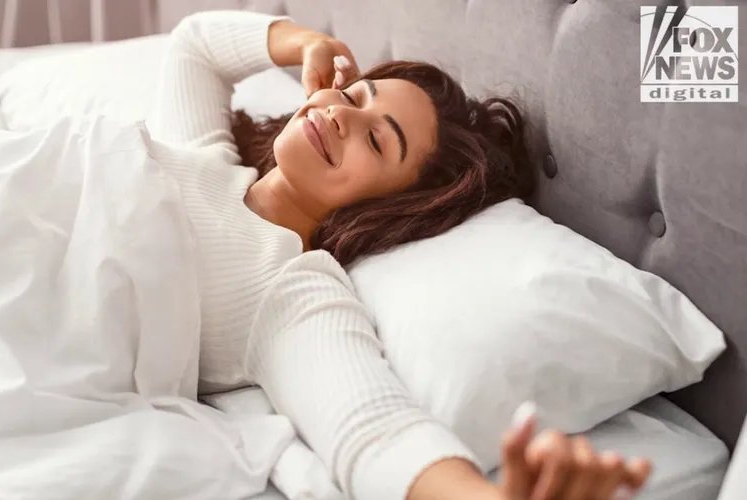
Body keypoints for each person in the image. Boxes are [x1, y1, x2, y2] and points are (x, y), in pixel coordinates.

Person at [152, 9, 653, 500]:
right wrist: (309, 43)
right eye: (352, 94)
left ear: (392, 204)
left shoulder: (288, 295)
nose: (340, 113)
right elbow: (194, 47)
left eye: (375, 139)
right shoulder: (202, 155)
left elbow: (378, 435)